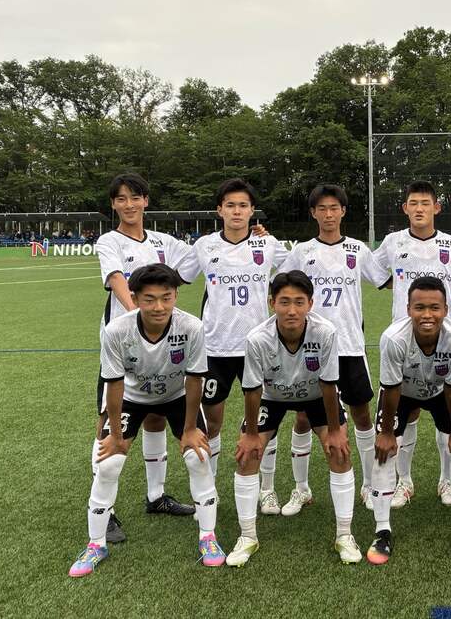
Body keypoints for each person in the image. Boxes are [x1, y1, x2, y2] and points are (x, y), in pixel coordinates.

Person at [68, 264, 223, 577]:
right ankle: (96, 544)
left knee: (198, 457)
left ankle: (208, 537)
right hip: (132, 397)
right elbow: (114, 384)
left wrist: (190, 429)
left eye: (166, 297)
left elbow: (195, 379)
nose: (159, 307)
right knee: (109, 463)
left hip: (177, 396)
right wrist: (115, 435)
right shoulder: (117, 331)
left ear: (175, 295)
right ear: (136, 299)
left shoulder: (192, 327)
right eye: (149, 299)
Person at [228, 271, 361, 566]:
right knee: (248, 455)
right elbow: (252, 389)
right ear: (271, 303)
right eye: (284, 302)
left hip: (316, 395)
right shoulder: (257, 338)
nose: (292, 310)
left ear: (310, 304)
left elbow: (329, 384)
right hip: (272, 396)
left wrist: (335, 430)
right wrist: (251, 435)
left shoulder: (325, 332)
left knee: (338, 451)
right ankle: (247, 536)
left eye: (299, 302)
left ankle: (344, 534)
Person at [91, 173, 196, 543]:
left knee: (156, 414)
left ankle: (156, 496)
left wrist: (251, 234)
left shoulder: (163, 241)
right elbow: (117, 278)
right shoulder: (109, 240)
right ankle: (105, 510)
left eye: (135, 197)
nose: (129, 204)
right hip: (124, 342)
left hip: (161, 343)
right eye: (121, 199)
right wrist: (139, 313)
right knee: (109, 417)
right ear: (114, 204)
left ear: (146, 201)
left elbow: (199, 257)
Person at [177, 179, 290, 517]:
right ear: (220, 210)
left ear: (252, 210)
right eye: (230, 205)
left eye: (243, 205)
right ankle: (208, 492)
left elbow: (295, 272)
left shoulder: (268, 244)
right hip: (215, 348)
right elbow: (178, 278)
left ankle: (267, 490)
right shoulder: (204, 246)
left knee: (265, 421)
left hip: (259, 347)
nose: (237, 211)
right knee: (211, 421)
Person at [279, 184, 389, 513]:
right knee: (303, 417)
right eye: (322, 209)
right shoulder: (301, 252)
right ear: (313, 213)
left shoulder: (358, 250)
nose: (328, 214)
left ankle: (369, 486)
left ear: (343, 211)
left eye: (334, 208)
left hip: (350, 345)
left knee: (361, 415)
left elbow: (385, 280)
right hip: (309, 348)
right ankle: (301, 489)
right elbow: (282, 288)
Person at [367, 277, 451, 565]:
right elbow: (391, 388)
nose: (427, 315)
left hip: (442, 392)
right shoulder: (394, 338)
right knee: (383, 452)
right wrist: (387, 432)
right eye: (419, 307)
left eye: (434, 308)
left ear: (445, 310)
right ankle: (382, 530)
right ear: (408, 309)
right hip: (402, 394)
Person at [373, 180, 451, 509]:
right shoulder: (392, 242)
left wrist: (440, 305)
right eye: (413, 203)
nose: (419, 208)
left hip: (442, 337)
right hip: (404, 338)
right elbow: (374, 270)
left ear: (436, 208)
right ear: (405, 208)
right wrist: (401, 291)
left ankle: (446, 481)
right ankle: (404, 481)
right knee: (407, 408)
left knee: (447, 405)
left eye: (425, 203)